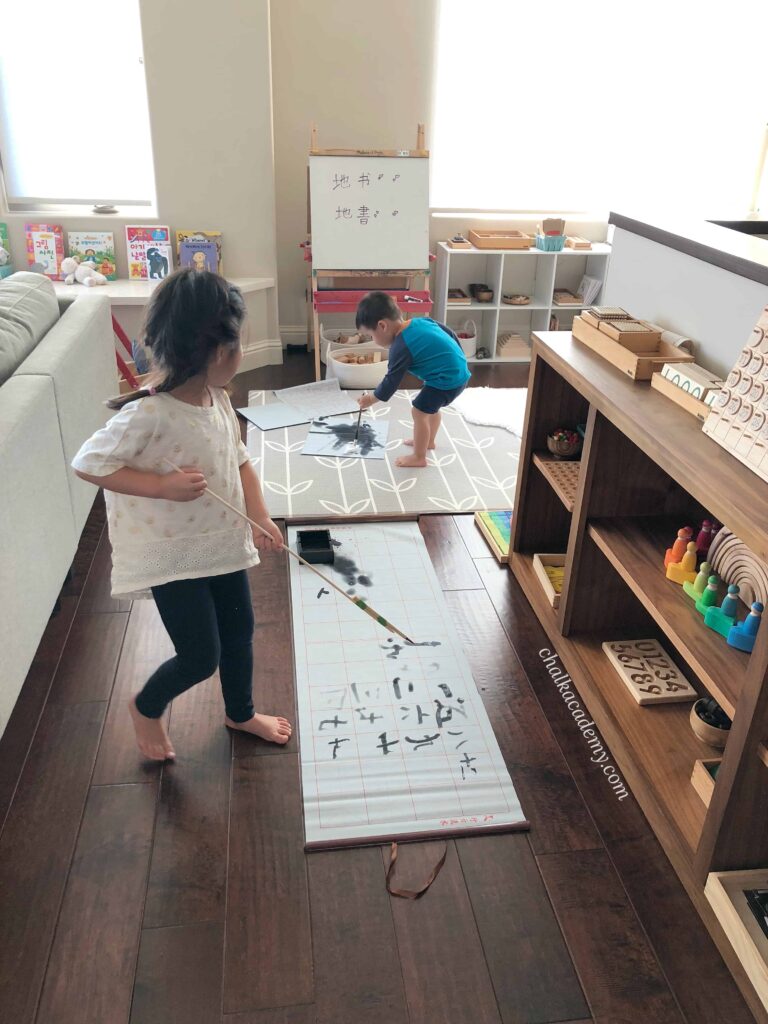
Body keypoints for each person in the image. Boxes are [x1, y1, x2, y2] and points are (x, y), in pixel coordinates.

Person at [72, 268, 292, 761]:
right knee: (200, 656)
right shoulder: (148, 414)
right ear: (220, 352)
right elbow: (88, 464)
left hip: (222, 543)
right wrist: (160, 487)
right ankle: (147, 706)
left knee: (239, 635)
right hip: (174, 555)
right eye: (239, 344)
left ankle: (240, 711)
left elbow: (239, 459)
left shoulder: (216, 398)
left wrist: (260, 514)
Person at [355, 292, 471, 467]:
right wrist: (458, 359)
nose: (373, 340)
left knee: (419, 411)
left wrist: (371, 399)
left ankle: (419, 457)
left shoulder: (400, 346)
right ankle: (429, 441)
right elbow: (450, 334)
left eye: (371, 335)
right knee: (430, 407)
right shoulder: (420, 321)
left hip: (447, 381)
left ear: (382, 326)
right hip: (458, 372)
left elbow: (391, 381)